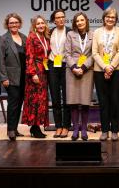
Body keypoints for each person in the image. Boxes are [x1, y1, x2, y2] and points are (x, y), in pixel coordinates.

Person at [92, 7, 119, 142]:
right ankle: (105, 130)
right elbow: (94, 52)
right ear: (104, 18)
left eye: (113, 17)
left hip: (117, 70)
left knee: (115, 101)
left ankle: (115, 130)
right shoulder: (97, 32)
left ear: (116, 19)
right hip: (100, 70)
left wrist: (111, 66)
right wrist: (105, 66)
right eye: (108, 17)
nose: (110, 19)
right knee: (103, 101)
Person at [0, 13, 27, 141]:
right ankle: (10, 130)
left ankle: (14, 128)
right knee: (13, 104)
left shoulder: (24, 38)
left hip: (24, 77)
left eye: (16, 22)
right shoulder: (3, 39)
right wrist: (3, 78)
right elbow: (0, 61)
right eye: (11, 23)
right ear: (7, 25)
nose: (14, 25)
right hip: (11, 78)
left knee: (19, 103)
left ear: (19, 24)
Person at [65, 12, 94, 141]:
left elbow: (94, 54)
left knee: (85, 101)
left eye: (82, 20)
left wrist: (83, 67)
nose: (80, 22)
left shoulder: (93, 34)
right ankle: (75, 129)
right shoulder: (70, 34)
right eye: (77, 21)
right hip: (72, 71)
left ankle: (84, 129)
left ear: (86, 21)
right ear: (75, 23)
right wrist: (74, 67)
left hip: (87, 70)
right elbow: (67, 53)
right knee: (73, 101)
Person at [22, 15, 50, 138]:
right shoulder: (31, 37)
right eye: (38, 24)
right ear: (34, 26)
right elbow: (29, 57)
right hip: (35, 73)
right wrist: (33, 73)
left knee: (42, 100)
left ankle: (37, 126)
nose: (40, 26)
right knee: (35, 100)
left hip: (44, 71)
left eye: (42, 23)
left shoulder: (45, 37)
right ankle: (34, 127)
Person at [47, 9, 71, 138]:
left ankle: (66, 126)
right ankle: (58, 126)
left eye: (63, 17)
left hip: (66, 65)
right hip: (53, 65)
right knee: (55, 97)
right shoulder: (49, 32)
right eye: (58, 17)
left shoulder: (70, 31)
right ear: (54, 20)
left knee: (67, 98)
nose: (61, 19)